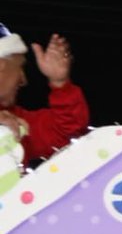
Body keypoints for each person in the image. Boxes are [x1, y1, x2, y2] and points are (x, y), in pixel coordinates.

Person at [0, 23, 89, 166]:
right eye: (20, 67)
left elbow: (67, 133)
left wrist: (61, 85)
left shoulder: (16, 121)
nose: (23, 80)